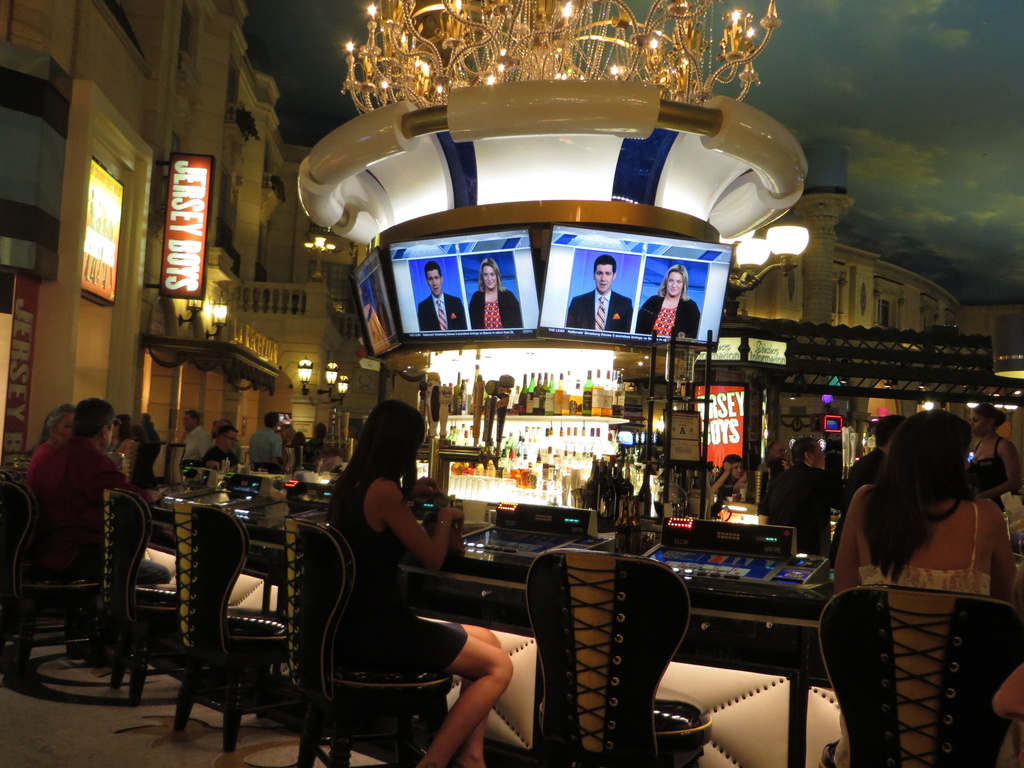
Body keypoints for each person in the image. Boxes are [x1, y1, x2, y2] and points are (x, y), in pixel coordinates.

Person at [328, 399, 512, 768]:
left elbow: (376, 519)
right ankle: (435, 762)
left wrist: (409, 495)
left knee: (489, 640)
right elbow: (432, 558)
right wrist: (444, 518)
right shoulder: (385, 491)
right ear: (403, 445)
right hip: (379, 632)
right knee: (498, 667)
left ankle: (472, 756)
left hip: (349, 625)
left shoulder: (352, 483)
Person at [828, 410, 1015, 768]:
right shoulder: (986, 516)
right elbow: (1005, 616)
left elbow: (844, 600)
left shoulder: (866, 503)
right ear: (952, 460)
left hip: (874, 728)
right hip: (968, 731)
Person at [27, 398, 170, 584]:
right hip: (73, 555)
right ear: (105, 431)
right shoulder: (92, 461)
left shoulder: (48, 456)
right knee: (161, 573)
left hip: (40, 551)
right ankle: (112, 603)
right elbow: (131, 498)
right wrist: (153, 495)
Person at [828, 414, 906, 566]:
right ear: (898, 437)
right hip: (863, 551)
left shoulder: (865, 462)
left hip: (848, 543)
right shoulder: (883, 467)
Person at [757, 436, 841, 556]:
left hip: (778, 548)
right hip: (807, 550)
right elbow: (841, 503)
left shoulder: (779, 479)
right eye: (820, 452)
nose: (824, 455)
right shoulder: (819, 476)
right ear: (808, 456)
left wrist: (767, 541)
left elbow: (763, 511)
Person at [968, 402, 1022, 511]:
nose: (971, 424)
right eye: (970, 420)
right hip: (983, 504)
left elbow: (1015, 483)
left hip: (1003, 505)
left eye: (975, 420)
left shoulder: (1003, 446)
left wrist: (985, 494)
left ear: (990, 422)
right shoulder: (976, 446)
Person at [565, 254, 633, 332]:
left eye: (608, 274)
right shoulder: (577, 302)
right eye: (599, 273)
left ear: (614, 276)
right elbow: (569, 332)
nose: (603, 279)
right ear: (594, 275)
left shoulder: (625, 304)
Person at [634, 263, 700, 340]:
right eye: (671, 280)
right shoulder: (652, 302)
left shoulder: (690, 307)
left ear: (683, 285)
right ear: (666, 282)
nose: (674, 285)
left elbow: (694, 335)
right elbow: (638, 328)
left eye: (678, 282)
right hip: (649, 346)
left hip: (676, 347)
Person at [468, 257, 522, 330]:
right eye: (486, 275)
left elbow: (518, 324)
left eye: (492, 274)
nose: (489, 278)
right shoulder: (476, 297)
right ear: (482, 277)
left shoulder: (508, 296)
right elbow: (472, 326)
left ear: (497, 276)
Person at [26, 403, 75, 482]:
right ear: (53, 432)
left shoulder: (62, 454)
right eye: (69, 426)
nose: (75, 431)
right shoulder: (49, 458)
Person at [416, 260, 468, 331]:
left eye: (436, 278)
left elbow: (464, 328)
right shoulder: (422, 307)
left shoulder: (456, 302)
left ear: (441, 279)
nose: (434, 283)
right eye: (430, 279)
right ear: (427, 281)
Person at [710, 453, 746, 518]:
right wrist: (726, 472)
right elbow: (713, 491)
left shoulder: (744, 479)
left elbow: (735, 490)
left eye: (741, 467)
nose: (739, 470)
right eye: (736, 468)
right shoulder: (722, 478)